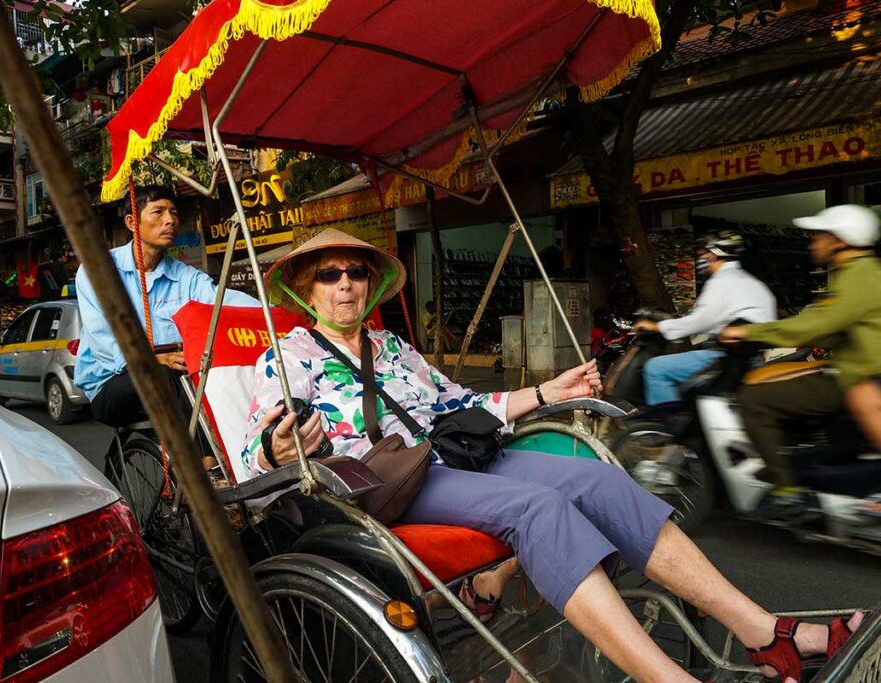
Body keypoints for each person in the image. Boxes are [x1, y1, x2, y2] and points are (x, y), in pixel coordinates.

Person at [242, 228, 859, 683]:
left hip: (461, 451)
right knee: (539, 507)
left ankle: (765, 632)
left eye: (354, 271)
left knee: (602, 480)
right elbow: (260, 446)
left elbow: (464, 402)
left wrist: (547, 393)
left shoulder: (392, 346)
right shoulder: (288, 355)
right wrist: (280, 444)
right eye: (330, 274)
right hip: (388, 480)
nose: (346, 283)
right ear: (306, 288)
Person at [720, 204, 881, 512]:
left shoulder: (857, 277)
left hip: (858, 377)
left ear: (838, 240)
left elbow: (816, 324)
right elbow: (835, 328)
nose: (812, 242)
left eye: (819, 235)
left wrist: (748, 333)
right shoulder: (864, 271)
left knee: (754, 399)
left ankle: (786, 489)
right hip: (857, 370)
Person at [75, 186, 257, 426]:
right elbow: (105, 340)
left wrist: (277, 311)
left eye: (173, 213)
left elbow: (223, 300)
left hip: (172, 384)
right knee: (168, 375)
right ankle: (201, 460)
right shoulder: (98, 269)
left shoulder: (186, 277)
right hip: (110, 384)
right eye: (158, 212)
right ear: (132, 222)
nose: (170, 220)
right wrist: (154, 359)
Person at [634, 230, 776, 405]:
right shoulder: (754, 283)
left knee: (656, 368)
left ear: (715, 254)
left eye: (703, 252)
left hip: (727, 359)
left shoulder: (721, 282)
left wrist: (657, 327)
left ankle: (665, 422)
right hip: (753, 358)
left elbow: (699, 321)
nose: (701, 257)